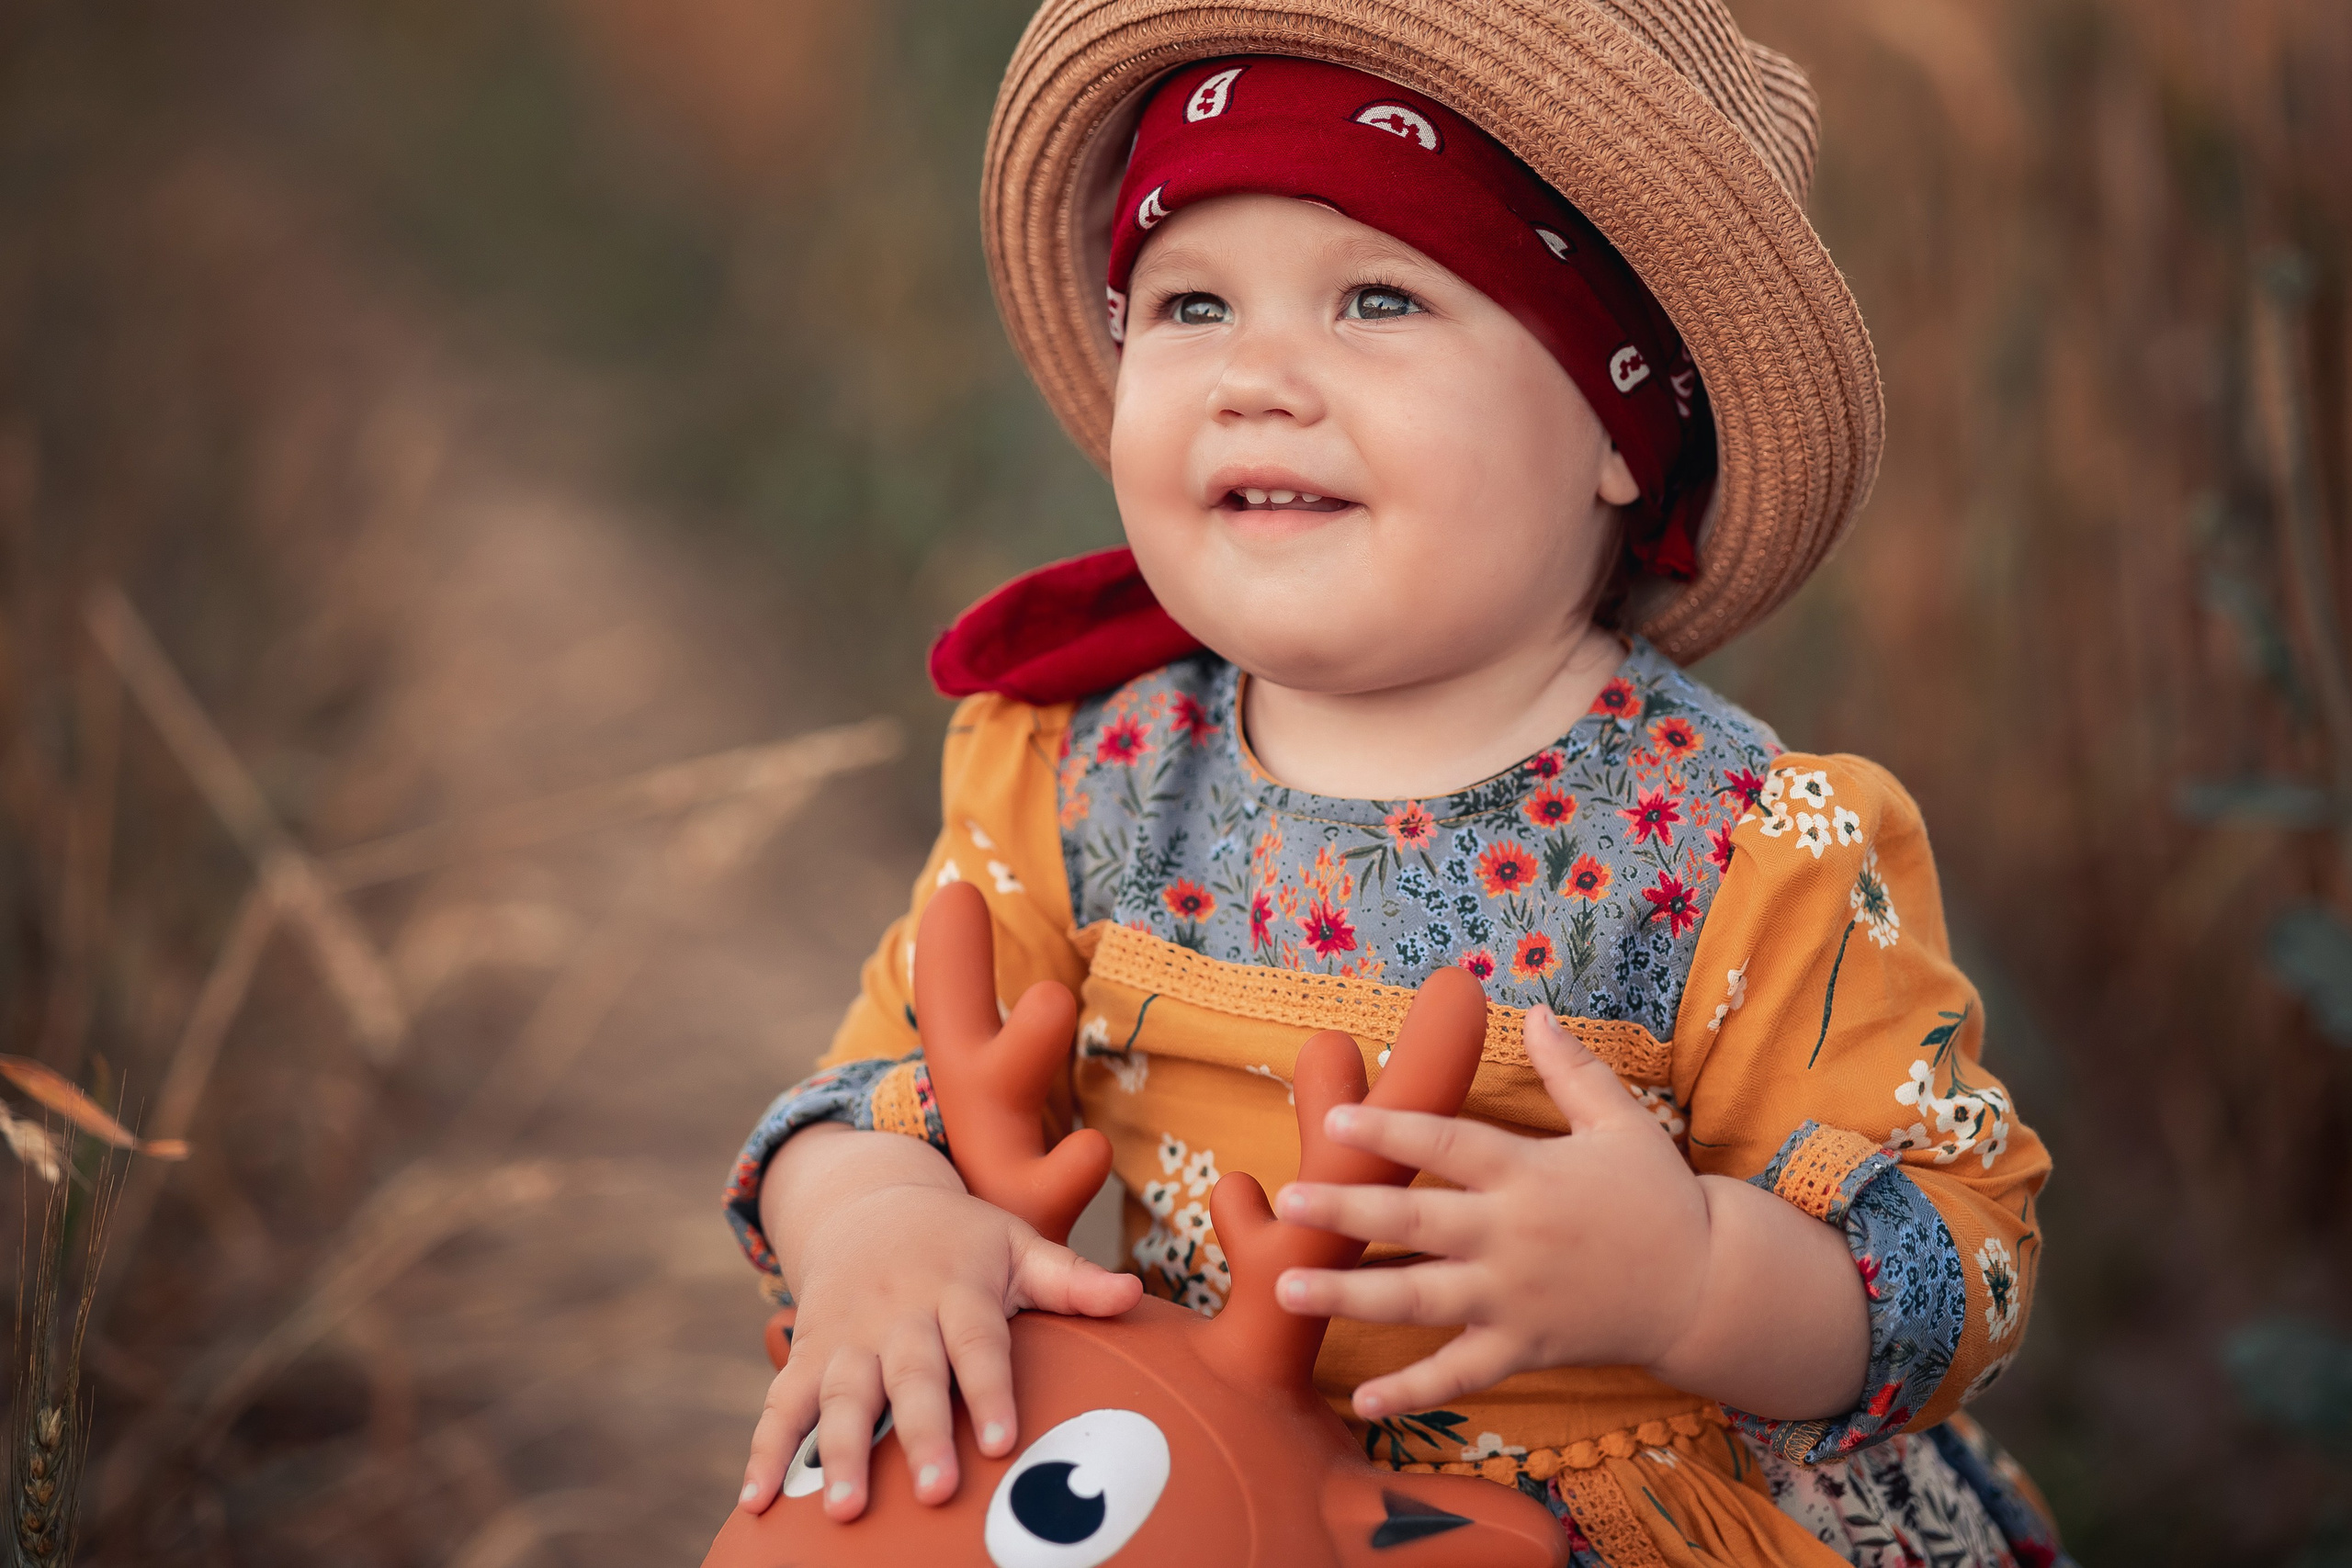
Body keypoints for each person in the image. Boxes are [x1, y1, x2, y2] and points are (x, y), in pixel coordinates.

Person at [720, 7, 2064, 1562]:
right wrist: (881, 1219)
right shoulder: (1086, 773)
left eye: (1376, 298)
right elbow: (864, 1097)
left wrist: (1697, 1276)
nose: (1256, 378)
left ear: (1619, 429)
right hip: (1200, 1490)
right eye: (1191, 305)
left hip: (1604, 1523)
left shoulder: (1747, 848)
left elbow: (1958, 1263)